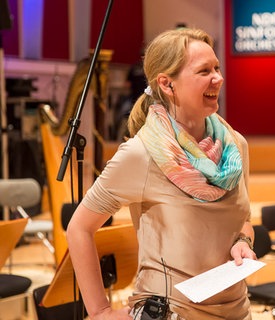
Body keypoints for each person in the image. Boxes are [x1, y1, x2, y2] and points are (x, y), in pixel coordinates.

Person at [66, 27, 256, 320]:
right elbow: (79, 228)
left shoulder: (235, 146)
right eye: (204, 70)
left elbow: (242, 219)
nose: (218, 78)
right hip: (169, 312)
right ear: (167, 84)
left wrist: (243, 243)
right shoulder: (141, 154)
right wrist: (100, 311)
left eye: (217, 67)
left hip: (236, 310)